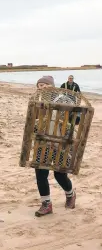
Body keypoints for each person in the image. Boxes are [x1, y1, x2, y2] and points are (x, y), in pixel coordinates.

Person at [34, 75, 76, 217]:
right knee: (41, 174)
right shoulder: (37, 101)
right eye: (39, 86)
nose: (42, 88)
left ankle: (70, 195)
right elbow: (33, 121)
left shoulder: (61, 98)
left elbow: (74, 112)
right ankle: (46, 204)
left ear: (52, 86)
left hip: (60, 143)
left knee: (60, 175)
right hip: (43, 142)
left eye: (45, 85)